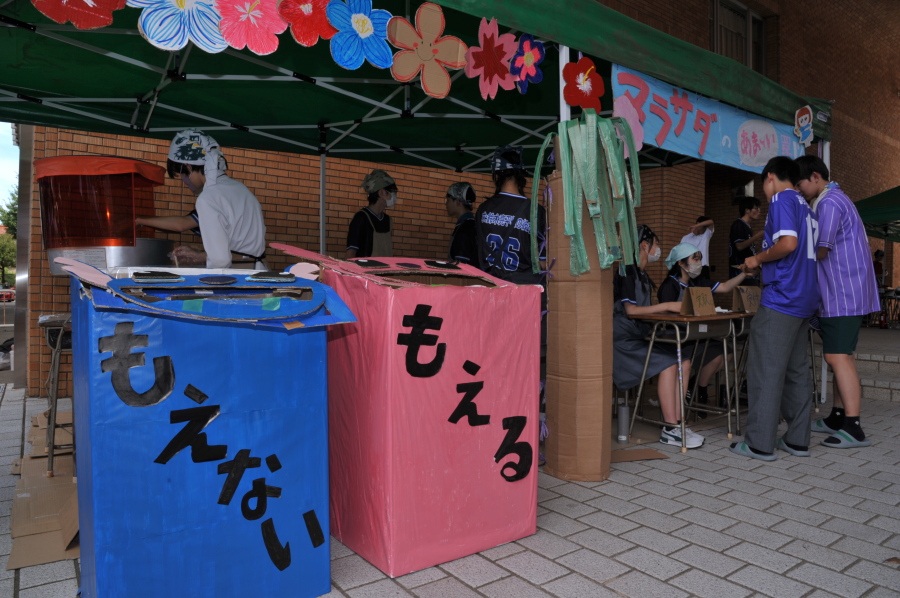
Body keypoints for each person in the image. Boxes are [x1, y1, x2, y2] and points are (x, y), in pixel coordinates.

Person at [730, 157, 819, 461]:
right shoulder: (807, 207)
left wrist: (757, 259)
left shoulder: (782, 199)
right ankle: (797, 440)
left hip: (782, 297)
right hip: (805, 296)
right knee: (796, 370)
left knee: (766, 368)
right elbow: (799, 251)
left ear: (770, 177)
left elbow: (788, 244)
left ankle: (759, 443)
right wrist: (764, 266)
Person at [796, 155, 880, 448]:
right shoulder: (835, 198)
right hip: (844, 291)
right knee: (840, 356)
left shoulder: (829, 202)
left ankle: (854, 428)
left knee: (837, 357)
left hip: (842, 292)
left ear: (815, 176)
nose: (800, 190)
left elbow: (822, 248)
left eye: (801, 183)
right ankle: (837, 416)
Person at [613, 226, 703, 449]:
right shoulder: (627, 271)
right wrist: (669, 306)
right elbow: (631, 311)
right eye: (655, 244)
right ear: (644, 245)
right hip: (624, 341)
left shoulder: (642, 275)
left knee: (683, 361)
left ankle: (679, 422)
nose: (658, 249)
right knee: (669, 363)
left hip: (640, 335)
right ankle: (670, 428)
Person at [138, 129, 266, 269]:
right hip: (256, 271)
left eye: (181, 175)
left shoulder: (208, 197)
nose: (184, 182)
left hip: (237, 276)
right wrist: (200, 255)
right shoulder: (240, 188)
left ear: (187, 167)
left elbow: (220, 260)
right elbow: (241, 249)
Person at [658, 242, 747, 418]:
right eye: (695, 259)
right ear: (681, 263)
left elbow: (725, 287)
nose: (699, 263)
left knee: (726, 354)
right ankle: (698, 392)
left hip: (696, 335)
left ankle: (696, 387)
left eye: (700, 259)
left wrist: (744, 273)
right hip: (678, 338)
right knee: (716, 356)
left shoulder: (697, 281)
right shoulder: (669, 285)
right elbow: (665, 316)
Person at [475, 146, 545, 284]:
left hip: (491, 286)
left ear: (496, 175)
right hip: (524, 289)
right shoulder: (534, 210)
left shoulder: (483, 209)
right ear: (521, 176)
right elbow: (543, 263)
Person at [346, 169, 397, 259]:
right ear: (381, 192)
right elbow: (351, 254)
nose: (394, 195)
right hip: (366, 268)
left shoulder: (388, 220)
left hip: (386, 268)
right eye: (391, 191)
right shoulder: (361, 218)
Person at [729, 197, 764, 281]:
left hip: (750, 269)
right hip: (741, 270)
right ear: (747, 210)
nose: (759, 211)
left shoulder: (747, 226)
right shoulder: (738, 224)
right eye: (756, 208)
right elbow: (739, 246)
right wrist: (758, 235)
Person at [445, 182, 477, 264]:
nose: (446, 204)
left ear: (458, 202)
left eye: (448, 200)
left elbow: (461, 265)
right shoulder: (470, 224)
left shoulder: (465, 230)